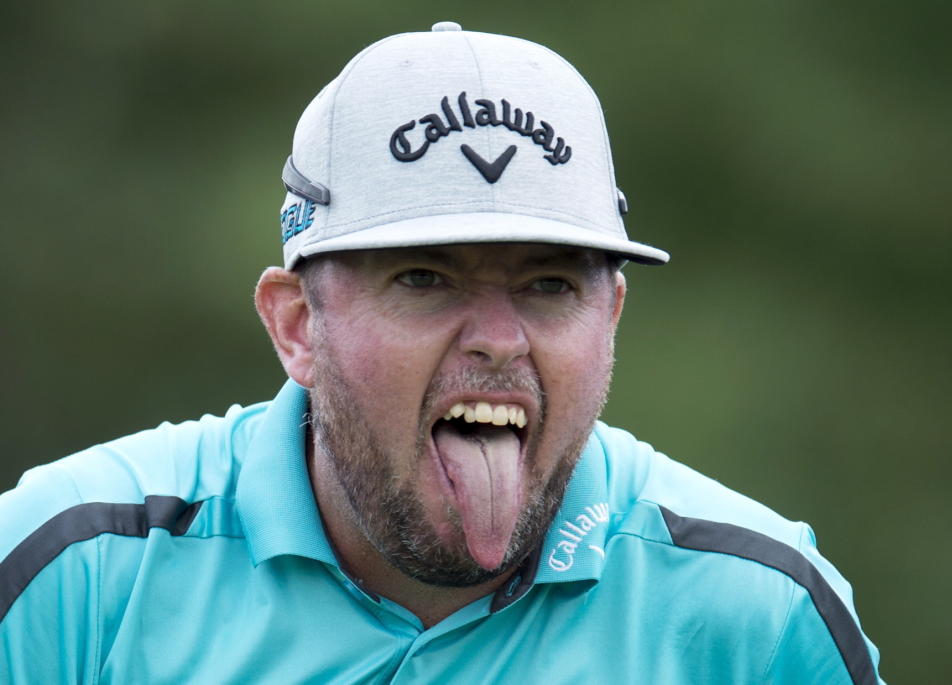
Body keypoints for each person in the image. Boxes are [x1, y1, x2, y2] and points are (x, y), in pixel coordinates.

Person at [0, 22, 882, 684]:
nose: (499, 338)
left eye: (549, 285)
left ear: (611, 314)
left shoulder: (759, 614)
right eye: (425, 278)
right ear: (297, 324)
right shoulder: (72, 571)